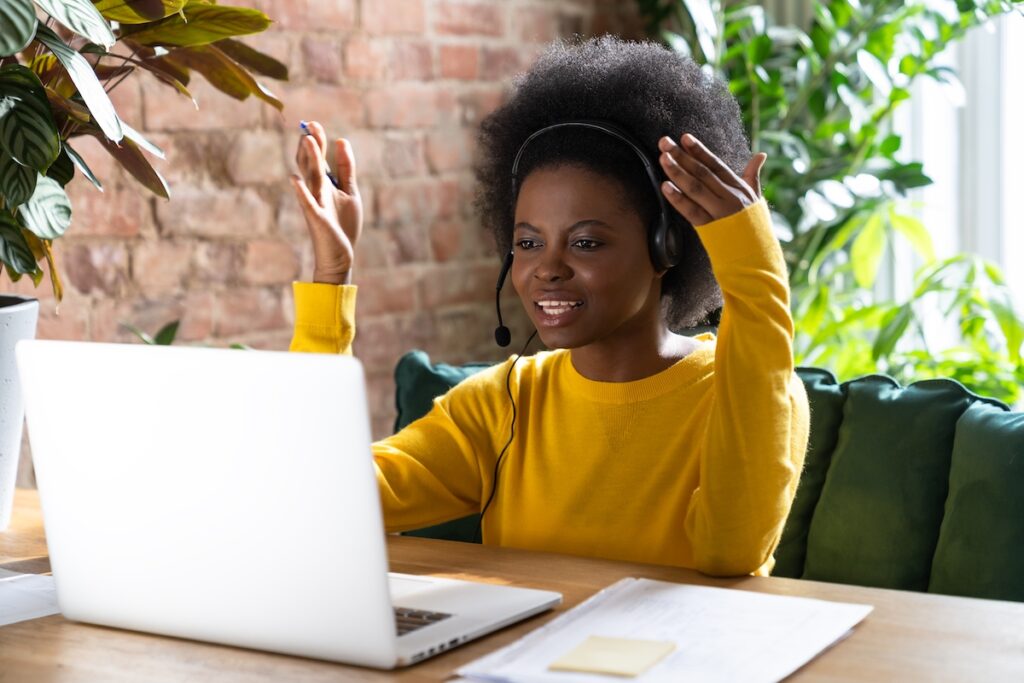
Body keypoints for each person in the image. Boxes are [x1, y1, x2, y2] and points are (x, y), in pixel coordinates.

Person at [288, 36, 809, 577]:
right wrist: (332, 276)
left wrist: (753, 267)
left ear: (666, 247)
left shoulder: (748, 391)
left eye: (585, 242)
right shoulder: (503, 404)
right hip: (515, 661)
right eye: (529, 242)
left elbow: (730, 550)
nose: (546, 268)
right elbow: (323, 496)